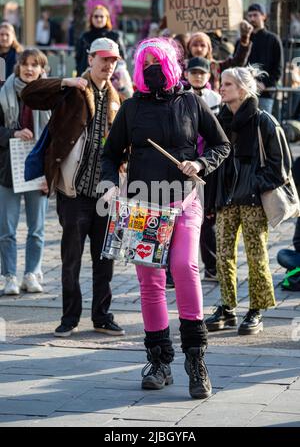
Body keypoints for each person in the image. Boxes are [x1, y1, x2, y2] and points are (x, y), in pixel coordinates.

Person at [99, 37, 230, 399]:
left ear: (172, 64)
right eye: (147, 63)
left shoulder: (191, 101)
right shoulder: (130, 108)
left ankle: (195, 359)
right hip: (144, 204)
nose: (154, 68)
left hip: (185, 199)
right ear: (141, 69)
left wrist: (201, 162)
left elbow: (221, 144)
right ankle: (159, 360)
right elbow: (110, 155)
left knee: (185, 267)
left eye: (160, 61)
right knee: (151, 282)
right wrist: (110, 185)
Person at [21, 38, 125, 338]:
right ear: (90, 59)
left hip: (105, 193)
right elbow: (30, 94)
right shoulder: (73, 91)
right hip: (74, 192)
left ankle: (102, 316)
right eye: (103, 59)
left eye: (113, 61)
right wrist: (65, 81)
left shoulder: (117, 98)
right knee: (71, 260)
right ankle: (70, 318)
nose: (108, 65)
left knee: (105, 260)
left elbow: (121, 141)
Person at [205, 66, 291, 335]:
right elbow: (214, 163)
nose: (222, 87)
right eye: (222, 83)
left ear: (242, 89)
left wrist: (255, 185)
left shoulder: (264, 121)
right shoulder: (219, 120)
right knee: (223, 256)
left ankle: (256, 310)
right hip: (226, 199)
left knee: (256, 256)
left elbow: (280, 166)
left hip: (253, 201)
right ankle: (227, 308)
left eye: (228, 84)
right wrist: (212, 200)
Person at [0, 49, 50, 295]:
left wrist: (51, 174)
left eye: (35, 65)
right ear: (17, 67)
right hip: (8, 170)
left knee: (37, 229)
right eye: (25, 64)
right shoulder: (4, 93)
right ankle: (9, 276)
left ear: (42, 69)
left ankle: (31, 274)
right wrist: (13, 133)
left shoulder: (50, 97)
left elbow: (57, 139)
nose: (29, 69)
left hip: (38, 171)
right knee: (7, 230)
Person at [185, 56, 221, 281]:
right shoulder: (180, 96)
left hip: (207, 165)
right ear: (186, 74)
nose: (198, 76)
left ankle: (211, 267)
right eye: (194, 72)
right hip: (184, 165)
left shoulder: (215, 98)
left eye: (202, 72)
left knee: (208, 220)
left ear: (209, 75)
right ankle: (172, 272)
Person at [236, 3, 284, 113]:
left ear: (264, 16)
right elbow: (237, 65)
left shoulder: (273, 39)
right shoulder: (242, 41)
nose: (252, 18)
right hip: (244, 92)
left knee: (263, 125)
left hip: (265, 93)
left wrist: (265, 83)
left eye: (255, 15)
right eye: (250, 16)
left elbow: (278, 68)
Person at [187, 21, 253, 91]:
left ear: (209, 49)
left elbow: (237, 62)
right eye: (195, 45)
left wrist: (245, 39)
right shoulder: (181, 67)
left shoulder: (216, 66)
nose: (199, 49)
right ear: (189, 47)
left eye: (203, 45)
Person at [75, 5, 126, 76]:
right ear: (91, 18)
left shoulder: (115, 36)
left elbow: (122, 58)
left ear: (107, 18)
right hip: (87, 77)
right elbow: (78, 59)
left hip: (110, 77)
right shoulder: (84, 37)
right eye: (96, 16)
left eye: (101, 16)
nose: (98, 19)